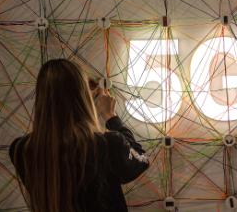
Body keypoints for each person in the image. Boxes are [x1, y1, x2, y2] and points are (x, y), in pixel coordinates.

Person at [9, 59, 149, 212]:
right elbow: (141, 161)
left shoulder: (21, 149)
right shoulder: (107, 143)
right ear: (83, 98)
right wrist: (111, 116)